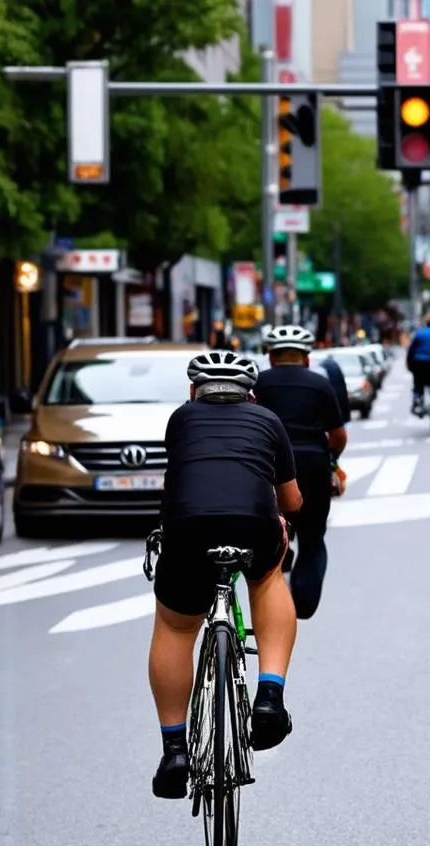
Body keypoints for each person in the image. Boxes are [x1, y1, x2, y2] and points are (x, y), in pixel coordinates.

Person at [149, 351, 301, 799]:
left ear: (193, 391)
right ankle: (270, 696)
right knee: (268, 578)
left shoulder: (181, 419)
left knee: (176, 627)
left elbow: (175, 480)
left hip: (187, 527)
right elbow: (290, 502)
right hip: (252, 523)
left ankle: (175, 749)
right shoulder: (268, 421)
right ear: (250, 395)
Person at [254, 325, 348, 621]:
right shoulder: (320, 385)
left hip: (266, 469)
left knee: (266, 538)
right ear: (306, 359)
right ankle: (303, 605)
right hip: (311, 469)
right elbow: (338, 434)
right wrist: (331, 459)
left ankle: (273, 589)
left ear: (270, 357)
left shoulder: (257, 384)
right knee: (312, 538)